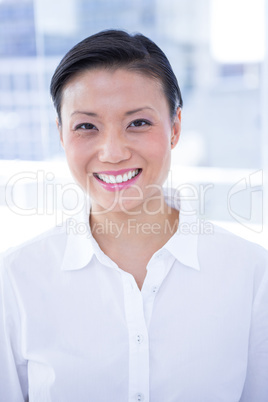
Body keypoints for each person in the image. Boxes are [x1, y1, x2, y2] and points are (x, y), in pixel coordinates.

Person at [0, 29, 267, 402]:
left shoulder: (252, 273)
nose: (112, 152)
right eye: (86, 126)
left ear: (174, 127)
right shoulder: (15, 279)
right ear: (61, 134)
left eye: (138, 123)